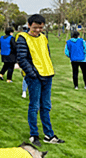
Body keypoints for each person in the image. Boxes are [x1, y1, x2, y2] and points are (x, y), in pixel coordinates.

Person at [16, 13, 63, 147]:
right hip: (34, 77)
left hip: (48, 75)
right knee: (34, 106)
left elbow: (46, 54)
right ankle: (34, 134)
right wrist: (32, 74)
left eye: (40, 27)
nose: (38, 30)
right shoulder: (22, 38)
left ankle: (49, 134)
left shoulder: (43, 37)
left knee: (46, 106)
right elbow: (22, 58)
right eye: (35, 27)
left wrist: (49, 69)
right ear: (29, 25)